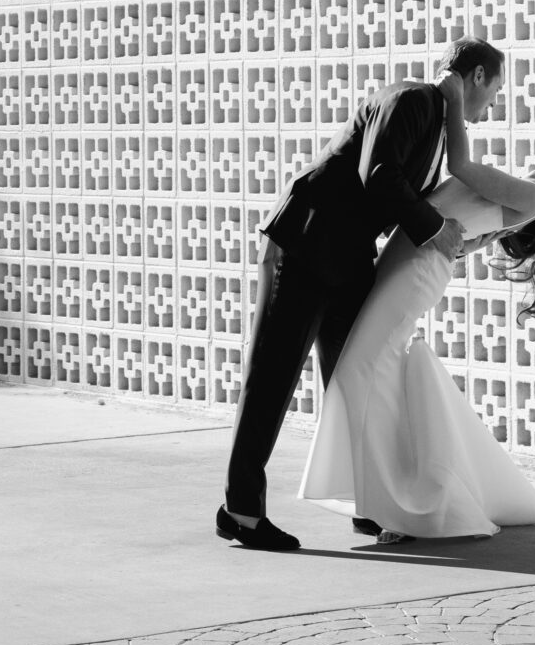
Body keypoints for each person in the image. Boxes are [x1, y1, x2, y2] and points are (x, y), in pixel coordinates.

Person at [216, 39, 505, 552]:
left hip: (347, 260)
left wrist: (462, 237)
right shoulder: (413, 99)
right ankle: (241, 510)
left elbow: (403, 197)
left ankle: (368, 501)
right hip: (307, 243)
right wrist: (436, 229)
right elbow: (379, 176)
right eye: (496, 91)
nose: (493, 106)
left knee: (354, 380)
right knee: (272, 375)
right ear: (477, 76)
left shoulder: (437, 124)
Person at [300, 146, 535, 541]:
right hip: (407, 262)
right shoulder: (524, 195)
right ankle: (383, 497)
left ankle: (399, 504)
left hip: (416, 271)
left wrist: (454, 96)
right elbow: (467, 238)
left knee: (359, 370)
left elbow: (459, 165)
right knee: (369, 372)